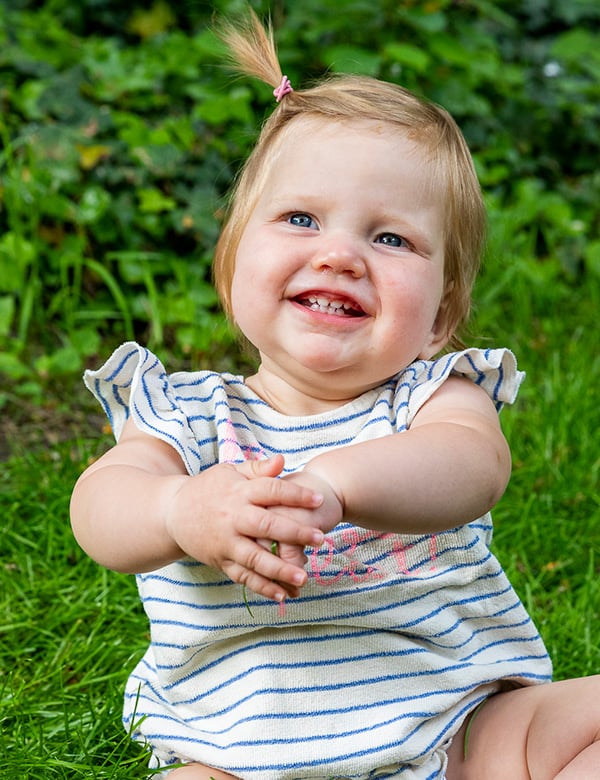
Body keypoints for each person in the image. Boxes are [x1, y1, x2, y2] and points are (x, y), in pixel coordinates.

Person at [70, 9, 600, 780]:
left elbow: (471, 465)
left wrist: (334, 486)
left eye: (390, 239)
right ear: (231, 264)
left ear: (441, 317)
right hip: (240, 758)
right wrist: (178, 510)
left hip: (464, 737)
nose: (341, 254)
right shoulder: (186, 413)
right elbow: (100, 507)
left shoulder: (434, 394)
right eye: (300, 219)